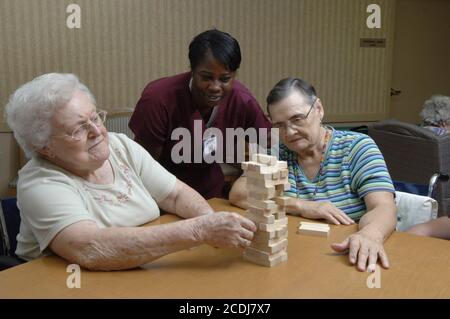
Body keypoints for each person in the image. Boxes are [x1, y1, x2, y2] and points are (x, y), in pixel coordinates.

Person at [5, 73, 257, 271]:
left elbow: (176, 195)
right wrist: (199, 230)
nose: (97, 131)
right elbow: (90, 248)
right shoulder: (39, 182)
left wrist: (211, 225)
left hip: (140, 270)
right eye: (78, 129)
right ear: (44, 147)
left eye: (96, 117)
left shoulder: (118, 145)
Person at [229, 77, 397, 272]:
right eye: (280, 125)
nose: (290, 133)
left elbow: (384, 207)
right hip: (295, 260)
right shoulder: (278, 153)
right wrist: (302, 206)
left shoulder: (358, 148)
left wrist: (370, 234)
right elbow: (239, 193)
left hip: (347, 259)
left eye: (297, 119)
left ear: (319, 109)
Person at [129, 29, 271, 199]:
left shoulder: (241, 99)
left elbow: (270, 142)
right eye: (206, 77)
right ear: (192, 70)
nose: (215, 87)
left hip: (212, 194)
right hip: (164, 195)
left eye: (225, 79)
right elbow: (144, 166)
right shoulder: (158, 99)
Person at [406, 95, 450, 239]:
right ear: (444, 123)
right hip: (438, 187)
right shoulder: (444, 139)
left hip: (408, 187)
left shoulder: (409, 133)